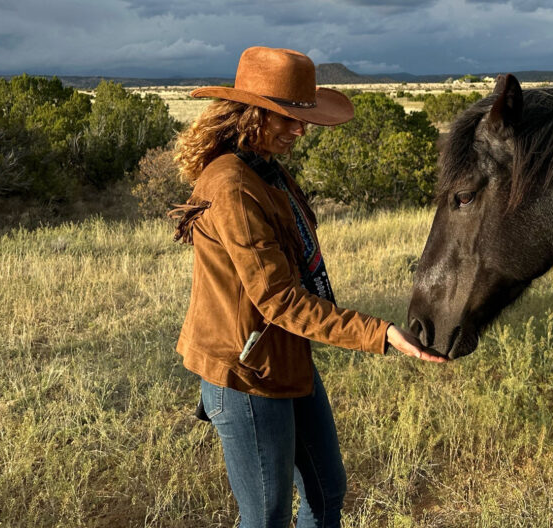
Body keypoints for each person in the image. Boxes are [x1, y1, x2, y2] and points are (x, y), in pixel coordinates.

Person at [171, 46, 445, 528]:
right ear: (253, 113)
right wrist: (379, 334)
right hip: (248, 372)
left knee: (326, 492)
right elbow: (278, 299)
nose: (300, 129)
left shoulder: (262, 167)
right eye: (288, 118)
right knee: (266, 516)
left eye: (303, 117)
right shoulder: (234, 185)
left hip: (285, 357)